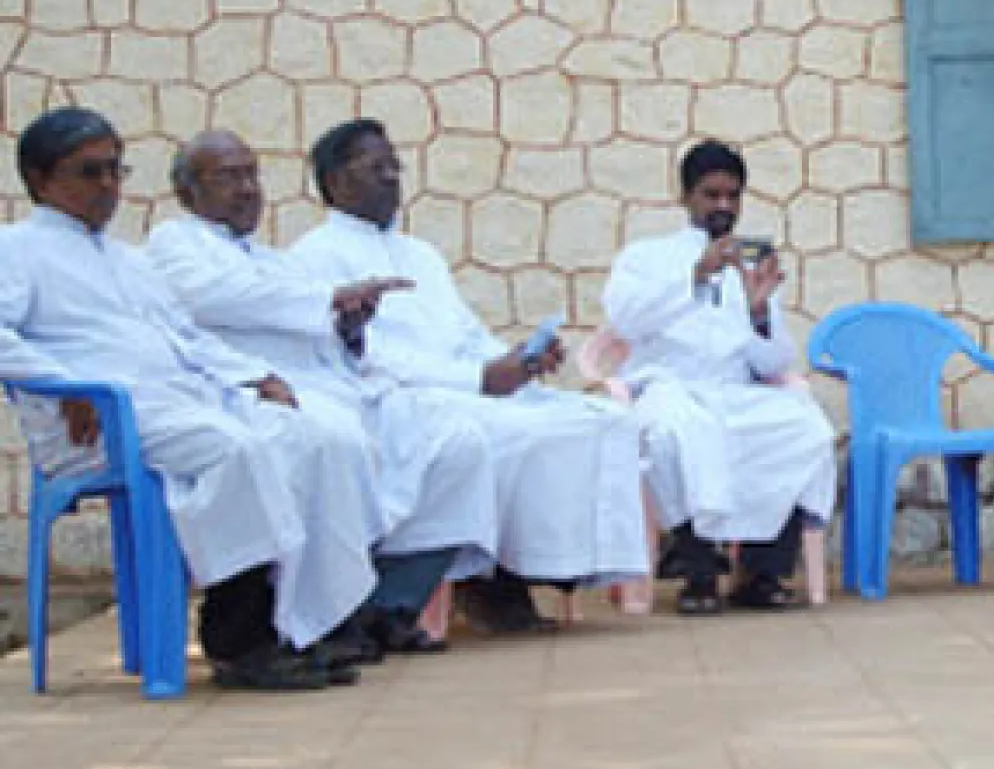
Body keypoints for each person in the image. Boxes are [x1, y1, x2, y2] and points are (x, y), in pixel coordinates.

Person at [0, 108, 386, 690]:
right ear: (40, 178)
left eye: (115, 170)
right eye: (90, 172)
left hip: (180, 399)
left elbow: (186, 338)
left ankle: (306, 625)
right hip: (104, 418)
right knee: (234, 449)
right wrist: (66, 386)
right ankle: (239, 640)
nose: (108, 185)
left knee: (311, 435)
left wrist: (255, 377)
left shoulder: (125, 259)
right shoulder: (19, 248)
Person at [147, 131, 510, 655]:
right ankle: (320, 622)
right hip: (256, 393)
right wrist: (327, 300)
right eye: (229, 177)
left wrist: (350, 325)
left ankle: (391, 604)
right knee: (332, 440)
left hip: (336, 385)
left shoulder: (273, 259)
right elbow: (217, 299)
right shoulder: (175, 244)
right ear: (186, 193)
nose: (248, 190)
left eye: (252, 175)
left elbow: (321, 332)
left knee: (459, 442)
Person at [289, 119, 650, 629]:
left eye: (395, 166)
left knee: (601, 422)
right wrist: (480, 379)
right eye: (376, 167)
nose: (392, 177)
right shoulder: (314, 257)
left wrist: (519, 361)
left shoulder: (421, 255)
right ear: (334, 182)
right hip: (400, 398)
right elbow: (365, 358)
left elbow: (465, 333)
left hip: (467, 385)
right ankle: (487, 587)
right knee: (507, 435)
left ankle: (532, 574)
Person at [602, 139, 837, 614]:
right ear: (685, 196)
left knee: (804, 428)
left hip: (734, 392)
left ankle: (763, 571)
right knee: (674, 436)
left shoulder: (749, 264)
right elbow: (626, 321)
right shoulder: (646, 258)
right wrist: (695, 276)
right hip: (670, 389)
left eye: (733, 196)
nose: (723, 206)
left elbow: (772, 363)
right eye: (711, 195)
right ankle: (699, 572)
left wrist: (758, 312)